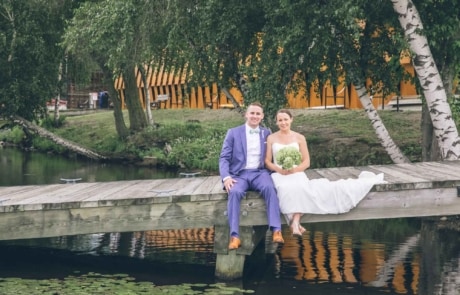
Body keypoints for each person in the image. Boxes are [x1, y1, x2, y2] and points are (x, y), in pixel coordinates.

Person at [265, 109, 386, 236]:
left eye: (285, 119)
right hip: (280, 173)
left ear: (291, 120)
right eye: (280, 120)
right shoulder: (271, 138)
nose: (283, 123)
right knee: (285, 188)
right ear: (277, 122)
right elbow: (267, 161)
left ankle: (295, 221)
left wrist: (295, 169)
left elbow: (306, 162)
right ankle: (295, 223)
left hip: (296, 172)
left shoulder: (300, 138)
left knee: (301, 188)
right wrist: (280, 169)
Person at [219, 102, 284, 250]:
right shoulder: (233, 132)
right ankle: (234, 236)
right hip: (239, 174)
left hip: (259, 173)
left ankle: (276, 230)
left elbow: (275, 153)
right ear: (246, 114)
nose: (255, 116)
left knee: (269, 188)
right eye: (252, 113)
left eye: (258, 114)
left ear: (262, 116)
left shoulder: (266, 133)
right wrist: (226, 177)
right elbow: (224, 158)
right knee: (234, 192)